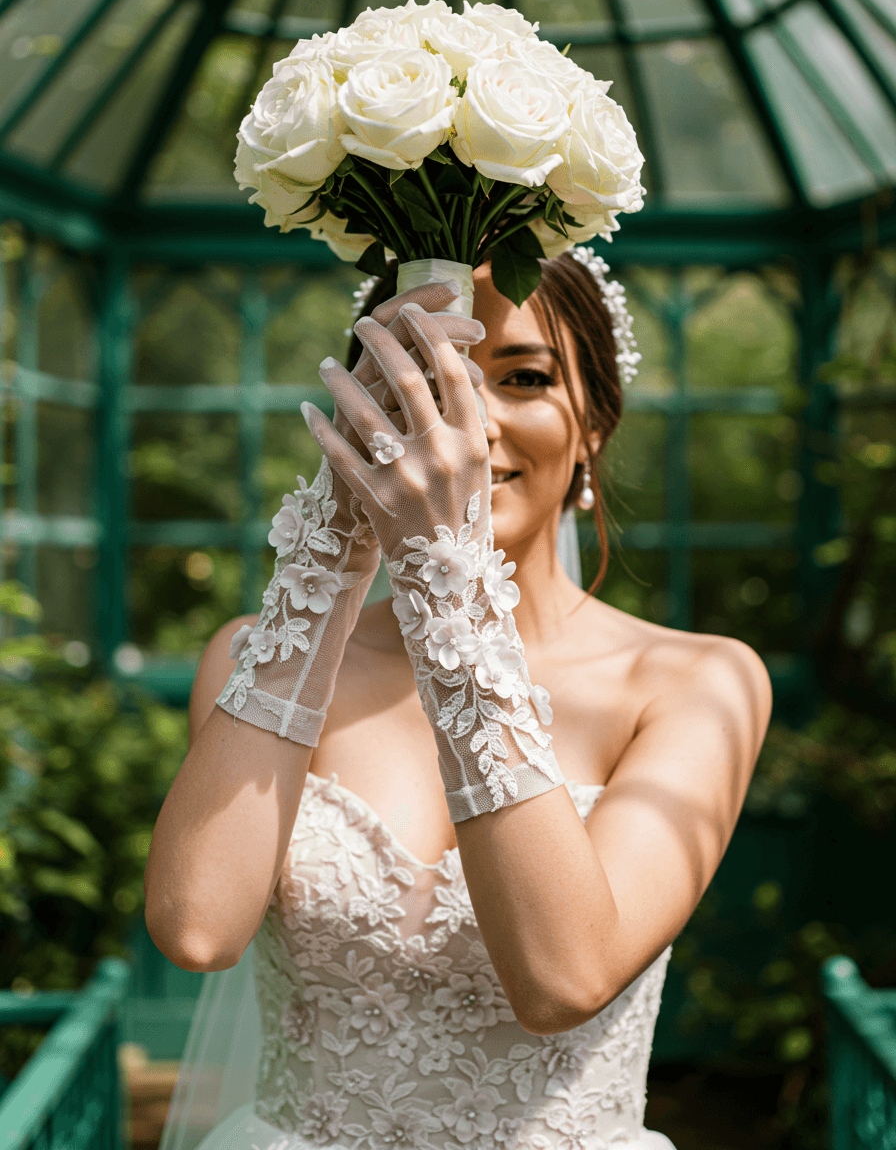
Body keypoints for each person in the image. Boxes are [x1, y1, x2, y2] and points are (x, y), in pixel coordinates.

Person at [145, 250, 772, 1150]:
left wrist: (448, 587)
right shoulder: (255, 655)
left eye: (523, 376)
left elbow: (564, 976)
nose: (464, 431)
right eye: (420, 382)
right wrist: (334, 549)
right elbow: (197, 927)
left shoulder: (697, 683)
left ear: (596, 418)